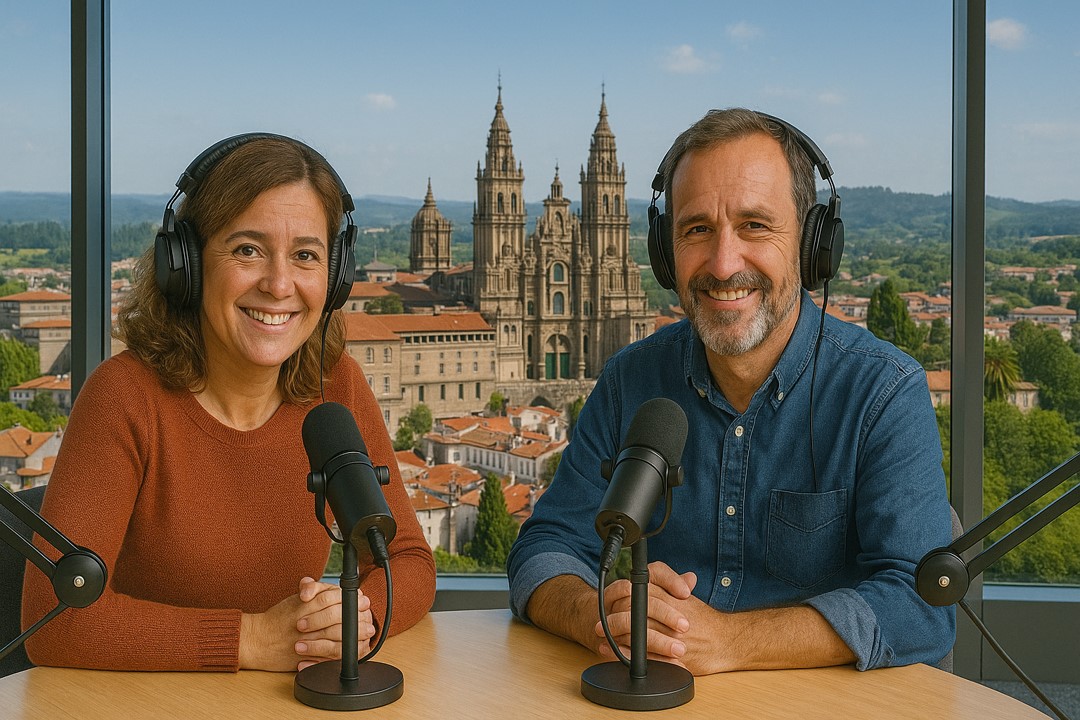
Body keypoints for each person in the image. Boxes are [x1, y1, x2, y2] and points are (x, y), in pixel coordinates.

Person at [506, 108, 955, 675]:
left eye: (755, 226)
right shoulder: (629, 381)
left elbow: (921, 605)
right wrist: (599, 615)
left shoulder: (882, 393)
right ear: (665, 251)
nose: (722, 264)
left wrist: (732, 641)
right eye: (696, 229)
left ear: (812, 243)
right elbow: (544, 546)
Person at [22, 134, 436, 672]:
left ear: (335, 276)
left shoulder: (335, 386)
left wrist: (354, 618)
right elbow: (54, 620)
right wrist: (250, 639)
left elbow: (407, 559)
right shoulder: (123, 397)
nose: (279, 284)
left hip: (274, 703)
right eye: (247, 250)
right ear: (187, 263)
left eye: (306, 255)